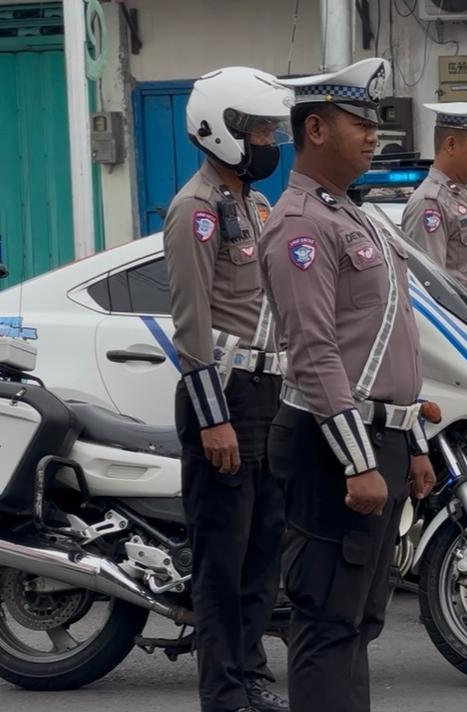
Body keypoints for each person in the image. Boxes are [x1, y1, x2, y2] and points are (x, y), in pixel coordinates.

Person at [261, 57, 438, 712]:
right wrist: (360, 460)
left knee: (359, 622)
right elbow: (313, 352)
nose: (372, 134)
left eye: (373, 122)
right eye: (357, 121)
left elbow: (385, 345)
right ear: (314, 129)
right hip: (333, 444)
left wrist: (412, 442)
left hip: (377, 439)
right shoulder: (302, 224)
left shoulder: (353, 216)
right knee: (328, 623)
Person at [163, 66, 292, 712]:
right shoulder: (196, 210)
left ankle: (251, 673)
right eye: (261, 129)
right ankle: (223, 692)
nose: (270, 141)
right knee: (222, 555)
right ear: (224, 130)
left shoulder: (249, 203)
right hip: (224, 399)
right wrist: (213, 419)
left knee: (263, 548)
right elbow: (192, 327)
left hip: (266, 397)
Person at [400, 100, 467, 322]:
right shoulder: (430, 203)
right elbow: (428, 288)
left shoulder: (461, 195)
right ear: (450, 145)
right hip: (463, 341)